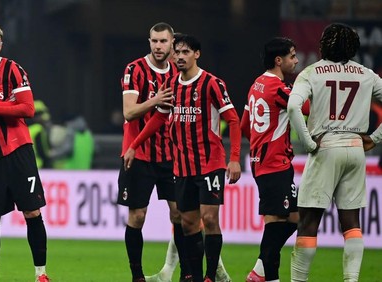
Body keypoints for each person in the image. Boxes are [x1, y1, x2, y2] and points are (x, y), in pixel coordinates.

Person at [124, 34, 242, 282]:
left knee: (209, 219)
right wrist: (134, 145)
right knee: (188, 224)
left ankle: (211, 275)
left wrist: (234, 158)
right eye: (176, 52)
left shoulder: (212, 83)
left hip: (210, 164)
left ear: (196, 54)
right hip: (182, 166)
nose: (179, 56)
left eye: (185, 52)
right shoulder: (172, 87)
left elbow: (232, 119)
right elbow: (158, 118)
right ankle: (197, 277)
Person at [287, 23, 382, 282]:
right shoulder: (366, 74)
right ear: (353, 48)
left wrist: (307, 143)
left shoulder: (312, 72)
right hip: (355, 149)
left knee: (308, 221)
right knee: (351, 223)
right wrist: (374, 138)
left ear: (322, 46)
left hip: (327, 147)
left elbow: (294, 108)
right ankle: (351, 280)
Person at [0, 24, 49, 282]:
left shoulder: (12, 70)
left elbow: (27, 109)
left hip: (18, 152)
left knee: (33, 213)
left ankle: (41, 274)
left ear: (1, 46)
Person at [117, 22, 186, 282]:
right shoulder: (134, 70)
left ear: (172, 44)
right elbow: (129, 112)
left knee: (180, 213)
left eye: (163, 42)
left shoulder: (179, 74)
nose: (159, 46)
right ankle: (137, 276)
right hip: (139, 154)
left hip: (171, 155)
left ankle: (187, 273)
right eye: (154, 41)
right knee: (137, 216)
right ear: (149, 42)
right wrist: (156, 100)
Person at [240, 37, 308, 282]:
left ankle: (260, 269)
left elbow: (245, 126)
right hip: (274, 164)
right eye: (292, 55)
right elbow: (307, 107)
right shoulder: (278, 88)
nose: (296, 60)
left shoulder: (256, 84)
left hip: (264, 162)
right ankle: (268, 277)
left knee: (293, 218)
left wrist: (261, 142)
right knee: (275, 224)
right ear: (279, 60)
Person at [28, 100, 52, 169]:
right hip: (39, 164)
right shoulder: (39, 129)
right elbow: (43, 150)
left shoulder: (28, 129)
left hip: (30, 164)